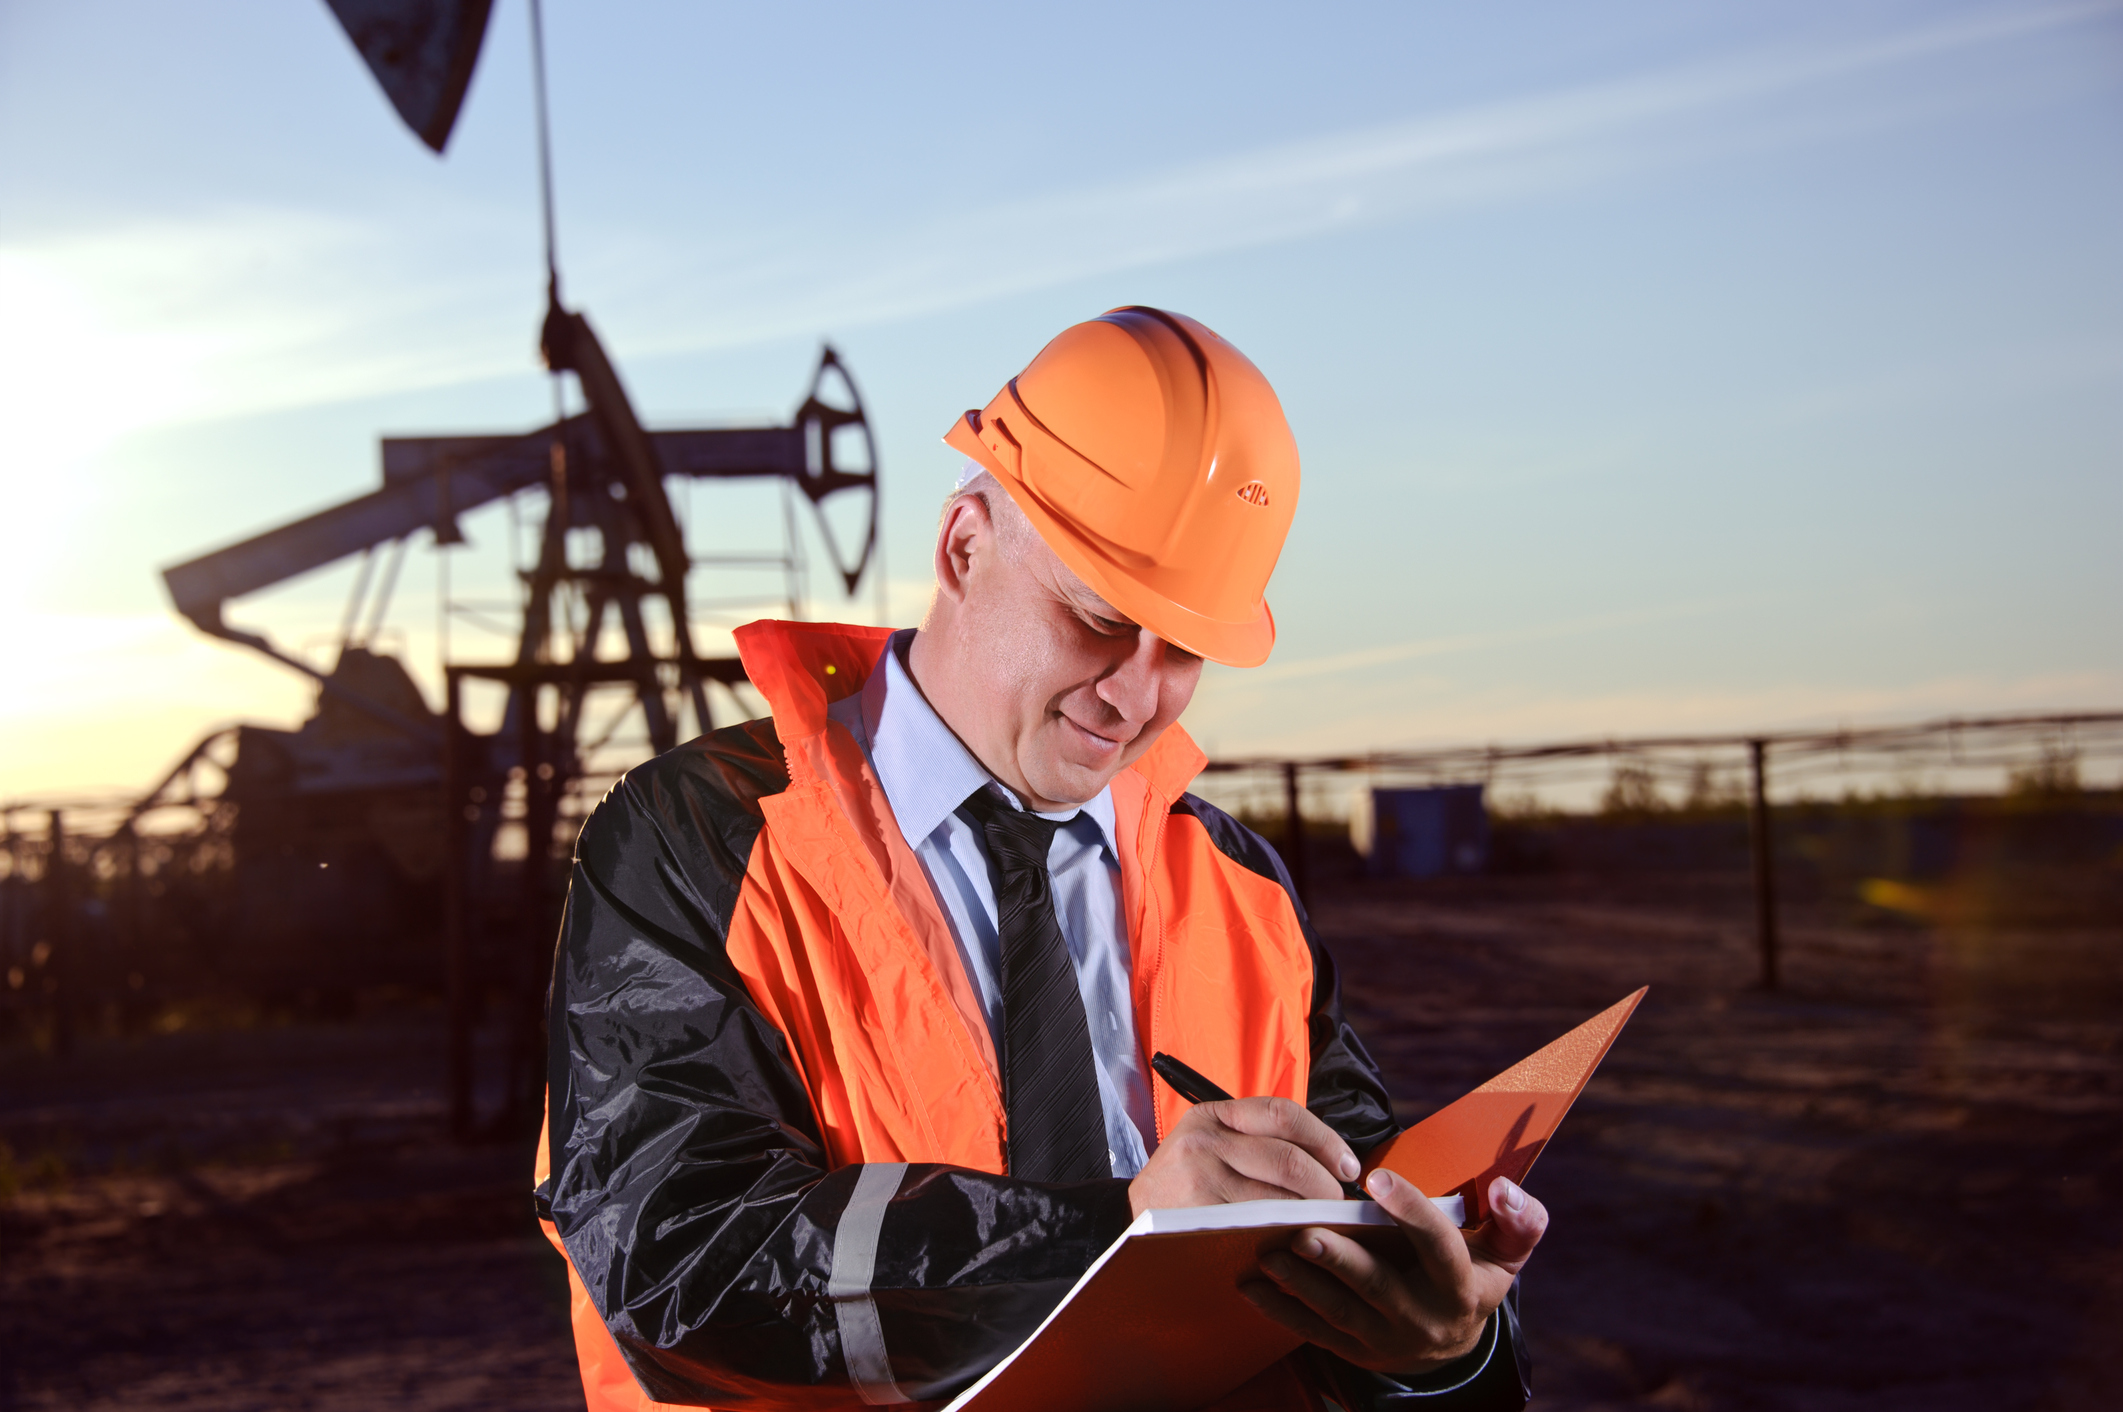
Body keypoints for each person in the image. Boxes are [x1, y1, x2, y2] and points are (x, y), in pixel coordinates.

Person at [536, 307, 1546, 1411]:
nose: (1133, 693)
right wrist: (1116, 1236)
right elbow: (681, 1263)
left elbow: (1354, 1252)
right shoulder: (699, 839)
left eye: (1187, 651)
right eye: (1097, 617)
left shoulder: (1237, 883)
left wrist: (1444, 1354)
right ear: (963, 543)